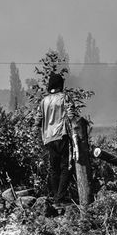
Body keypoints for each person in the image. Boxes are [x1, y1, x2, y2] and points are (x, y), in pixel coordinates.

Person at [35, 72, 73, 204]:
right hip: (62, 135)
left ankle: (55, 195)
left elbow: (38, 120)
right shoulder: (64, 98)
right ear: (60, 85)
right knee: (65, 167)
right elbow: (71, 115)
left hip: (48, 138)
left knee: (53, 168)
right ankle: (60, 197)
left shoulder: (43, 101)